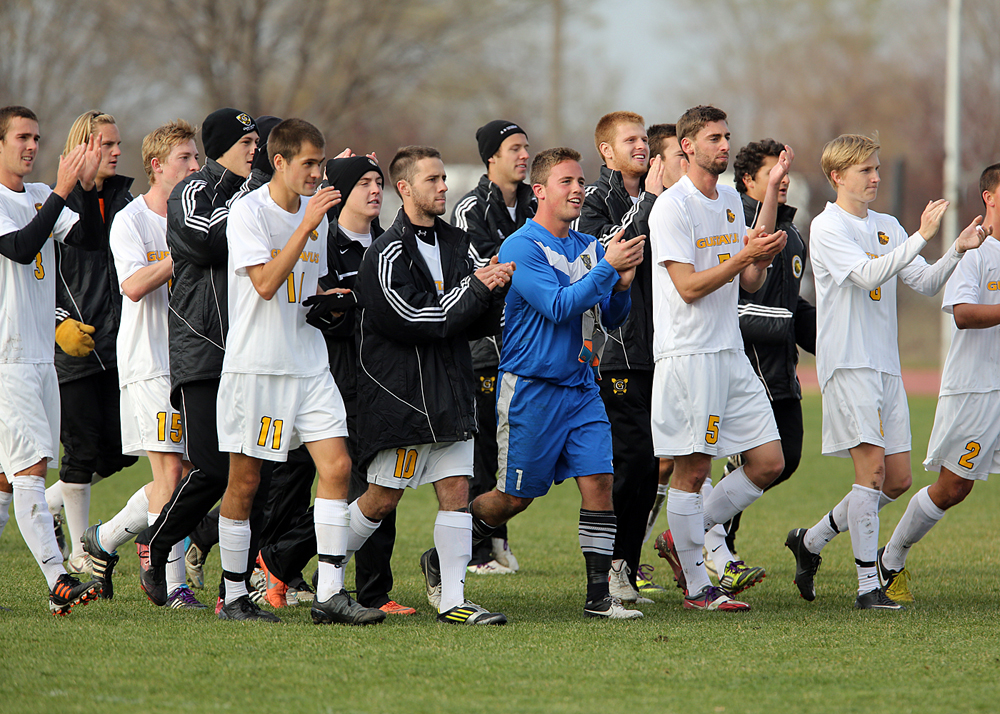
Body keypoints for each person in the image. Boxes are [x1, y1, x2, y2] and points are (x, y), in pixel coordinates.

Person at [429, 146, 645, 620]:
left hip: (582, 387)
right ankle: (443, 553)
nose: (578, 189)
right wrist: (609, 267)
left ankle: (597, 598)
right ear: (541, 191)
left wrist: (623, 284)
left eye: (581, 181)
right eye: (566, 182)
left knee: (600, 481)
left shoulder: (585, 246)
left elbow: (608, 315)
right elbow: (558, 306)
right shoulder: (521, 246)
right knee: (514, 499)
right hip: (531, 389)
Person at [784, 133, 987, 609]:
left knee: (895, 480)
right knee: (870, 472)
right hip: (848, 363)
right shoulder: (828, 226)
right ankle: (867, 589)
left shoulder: (888, 225)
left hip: (885, 366)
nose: (875, 177)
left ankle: (810, 541)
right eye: (865, 170)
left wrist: (956, 249)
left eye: (876, 168)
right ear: (837, 177)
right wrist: (921, 235)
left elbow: (925, 280)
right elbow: (868, 275)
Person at [215, 118, 384, 624]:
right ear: (280, 162)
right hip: (257, 369)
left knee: (336, 468)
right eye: (308, 163)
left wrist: (330, 299)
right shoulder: (248, 214)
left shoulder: (319, 216)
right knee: (245, 484)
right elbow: (265, 283)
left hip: (309, 363)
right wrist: (308, 225)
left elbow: (306, 286)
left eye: (321, 162)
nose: (317, 173)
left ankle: (331, 592)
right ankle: (235, 594)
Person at [350, 145, 513, 625]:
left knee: (457, 491)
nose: (444, 187)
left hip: (452, 396)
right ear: (405, 188)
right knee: (381, 501)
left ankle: (453, 601)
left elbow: (471, 321)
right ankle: (313, 573)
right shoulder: (385, 253)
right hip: (404, 402)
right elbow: (420, 318)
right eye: (433, 180)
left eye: (445, 178)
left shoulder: (460, 244)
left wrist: (495, 290)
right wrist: (477, 289)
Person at [254, 153, 417, 616]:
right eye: (363, 180)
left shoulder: (391, 244)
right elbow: (315, 309)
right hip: (332, 377)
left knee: (381, 480)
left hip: (385, 378)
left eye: (378, 181)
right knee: (337, 482)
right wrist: (354, 307)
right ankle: (282, 560)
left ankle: (372, 591)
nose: (374, 190)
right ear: (339, 190)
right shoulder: (322, 243)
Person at [649, 105, 787, 611]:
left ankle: (681, 538)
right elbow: (686, 287)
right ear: (687, 146)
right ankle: (697, 587)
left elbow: (749, 280)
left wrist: (760, 240)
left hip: (729, 351)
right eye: (713, 138)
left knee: (770, 461)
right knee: (691, 471)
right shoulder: (671, 207)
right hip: (690, 355)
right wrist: (743, 259)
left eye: (727, 136)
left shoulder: (731, 199)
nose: (724, 146)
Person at [134, 108, 264, 609]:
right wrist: (250, 200)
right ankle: (156, 541)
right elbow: (207, 242)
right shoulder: (193, 191)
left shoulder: (257, 191)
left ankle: (235, 586)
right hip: (203, 352)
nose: (254, 149)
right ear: (222, 146)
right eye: (245, 141)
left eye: (257, 141)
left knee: (260, 475)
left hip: (251, 355)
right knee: (211, 468)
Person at [82, 119, 203, 608]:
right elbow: (132, 286)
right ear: (157, 166)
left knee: (191, 473)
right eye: (185, 159)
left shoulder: (196, 215)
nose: (195, 167)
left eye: (197, 158)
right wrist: (183, 252)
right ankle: (173, 585)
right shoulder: (131, 220)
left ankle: (104, 539)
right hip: (149, 362)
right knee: (171, 475)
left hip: (191, 363)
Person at [0, 105, 104, 614]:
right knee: (32, 470)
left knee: (6, 477)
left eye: (37, 138)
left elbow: (84, 237)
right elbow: (21, 247)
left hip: (42, 357)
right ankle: (57, 579)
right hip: (8, 358)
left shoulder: (42, 195)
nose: (31, 147)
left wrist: (80, 185)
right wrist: (63, 190)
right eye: (21, 137)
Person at [876, 165, 997, 602]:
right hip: (977, 390)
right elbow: (963, 313)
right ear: (990, 197)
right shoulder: (978, 250)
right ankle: (891, 558)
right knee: (953, 488)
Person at [578, 111, 668, 603]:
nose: (641, 146)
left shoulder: (660, 197)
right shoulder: (595, 200)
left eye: (643, 139)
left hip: (659, 351)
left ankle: (626, 571)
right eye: (629, 140)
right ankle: (609, 570)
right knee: (629, 464)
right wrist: (652, 200)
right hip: (615, 351)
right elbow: (618, 249)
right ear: (607, 152)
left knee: (650, 466)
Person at [713, 139, 815, 564]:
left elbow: (793, 306)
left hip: (780, 369)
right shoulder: (735, 222)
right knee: (768, 460)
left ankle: (713, 528)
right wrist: (789, 323)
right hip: (745, 369)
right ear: (748, 180)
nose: (783, 178)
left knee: (786, 459)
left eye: (786, 170)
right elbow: (739, 305)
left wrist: (834, 340)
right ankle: (707, 538)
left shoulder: (791, 233)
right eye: (773, 172)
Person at [47, 111, 139, 574]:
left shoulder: (127, 199)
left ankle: (50, 503)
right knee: (80, 450)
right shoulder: (55, 204)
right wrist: (60, 323)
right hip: (74, 347)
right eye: (106, 145)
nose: (117, 151)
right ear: (82, 148)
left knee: (125, 447)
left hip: (120, 348)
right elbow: (38, 280)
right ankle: (81, 554)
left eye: (117, 144)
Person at [451, 119, 535, 574]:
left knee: (511, 447)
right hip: (484, 346)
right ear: (492, 158)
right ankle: (477, 552)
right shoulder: (470, 209)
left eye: (526, 147)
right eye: (514, 148)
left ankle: (497, 536)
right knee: (482, 447)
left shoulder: (533, 202)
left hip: (523, 345)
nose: (523, 155)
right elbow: (488, 269)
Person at [642, 123, 686, 547]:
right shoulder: (658, 209)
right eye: (680, 158)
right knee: (658, 461)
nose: (688, 166)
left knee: (680, 460)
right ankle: (627, 561)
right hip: (647, 354)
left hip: (684, 349)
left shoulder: (689, 206)